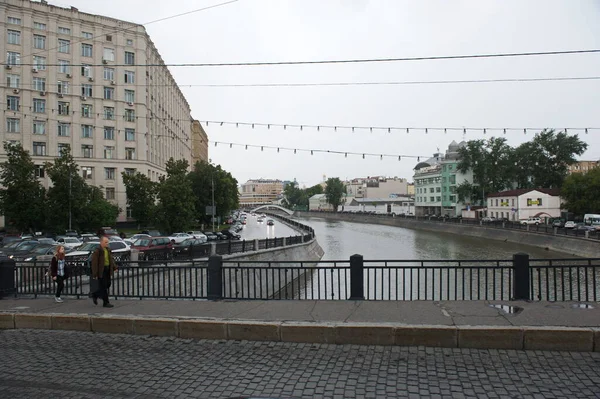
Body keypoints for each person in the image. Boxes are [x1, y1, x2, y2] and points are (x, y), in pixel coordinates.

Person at [90, 236, 117, 308]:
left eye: (107, 242)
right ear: (101, 242)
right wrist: (95, 273)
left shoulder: (108, 250)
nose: (107, 243)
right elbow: (94, 263)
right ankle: (106, 302)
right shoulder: (97, 251)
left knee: (108, 284)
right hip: (101, 271)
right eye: (105, 242)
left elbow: (111, 259)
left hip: (107, 269)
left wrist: (114, 267)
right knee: (104, 287)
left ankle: (95, 295)